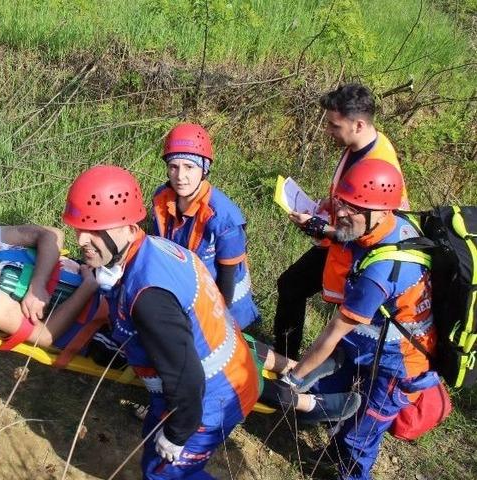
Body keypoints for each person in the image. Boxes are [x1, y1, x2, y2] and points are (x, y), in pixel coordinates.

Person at [63, 165, 261, 479]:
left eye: (96, 229)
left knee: (164, 474)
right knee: (154, 461)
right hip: (209, 385)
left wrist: (178, 433)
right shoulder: (150, 249)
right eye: (78, 228)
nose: (82, 239)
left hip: (208, 400)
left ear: (128, 226)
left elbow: (188, 378)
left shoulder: (149, 297)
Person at [281, 159, 437, 479]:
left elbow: (334, 332)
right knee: (328, 392)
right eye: (342, 202)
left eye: (352, 208)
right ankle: (333, 453)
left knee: (361, 434)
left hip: (401, 363)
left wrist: (293, 379)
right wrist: (320, 227)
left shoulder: (381, 273)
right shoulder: (391, 223)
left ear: (380, 211)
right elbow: (349, 234)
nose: (341, 213)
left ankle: (350, 472)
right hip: (373, 340)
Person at [274, 83, 409, 358]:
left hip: (360, 257)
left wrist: (320, 227)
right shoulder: (359, 144)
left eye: (335, 126)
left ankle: (310, 381)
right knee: (291, 285)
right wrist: (331, 204)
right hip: (338, 245)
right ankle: (284, 360)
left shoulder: (380, 161)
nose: (328, 131)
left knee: (344, 329)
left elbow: (378, 229)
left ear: (359, 124)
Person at [0, 205, 100, 348]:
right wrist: (87, 288)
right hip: (96, 321)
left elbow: (52, 235)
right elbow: (44, 336)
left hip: (98, 280)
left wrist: (38, 285)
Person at [151, 123, 260, 329]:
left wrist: (218, 322)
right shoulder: (161, 198)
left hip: (227, 308)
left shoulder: (224, 218)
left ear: (204, 169)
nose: (180, 176)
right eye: (173, 166)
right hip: (185, 293)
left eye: (189, 167)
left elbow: (227, 282)